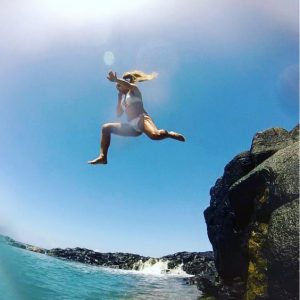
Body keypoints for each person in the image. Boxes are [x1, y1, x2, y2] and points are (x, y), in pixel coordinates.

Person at [88, 70, 185, 165]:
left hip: (142, 119)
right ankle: (103, 157)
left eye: (121, 84)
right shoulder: (123, 100)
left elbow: (129, 85)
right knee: (106, 128)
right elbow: (119, 114)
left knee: (155, 135)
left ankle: (169, 134)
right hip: (132, 127)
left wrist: (116, 79)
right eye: (118, 86)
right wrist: (119, 99)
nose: (119, 86)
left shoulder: (134, 90)